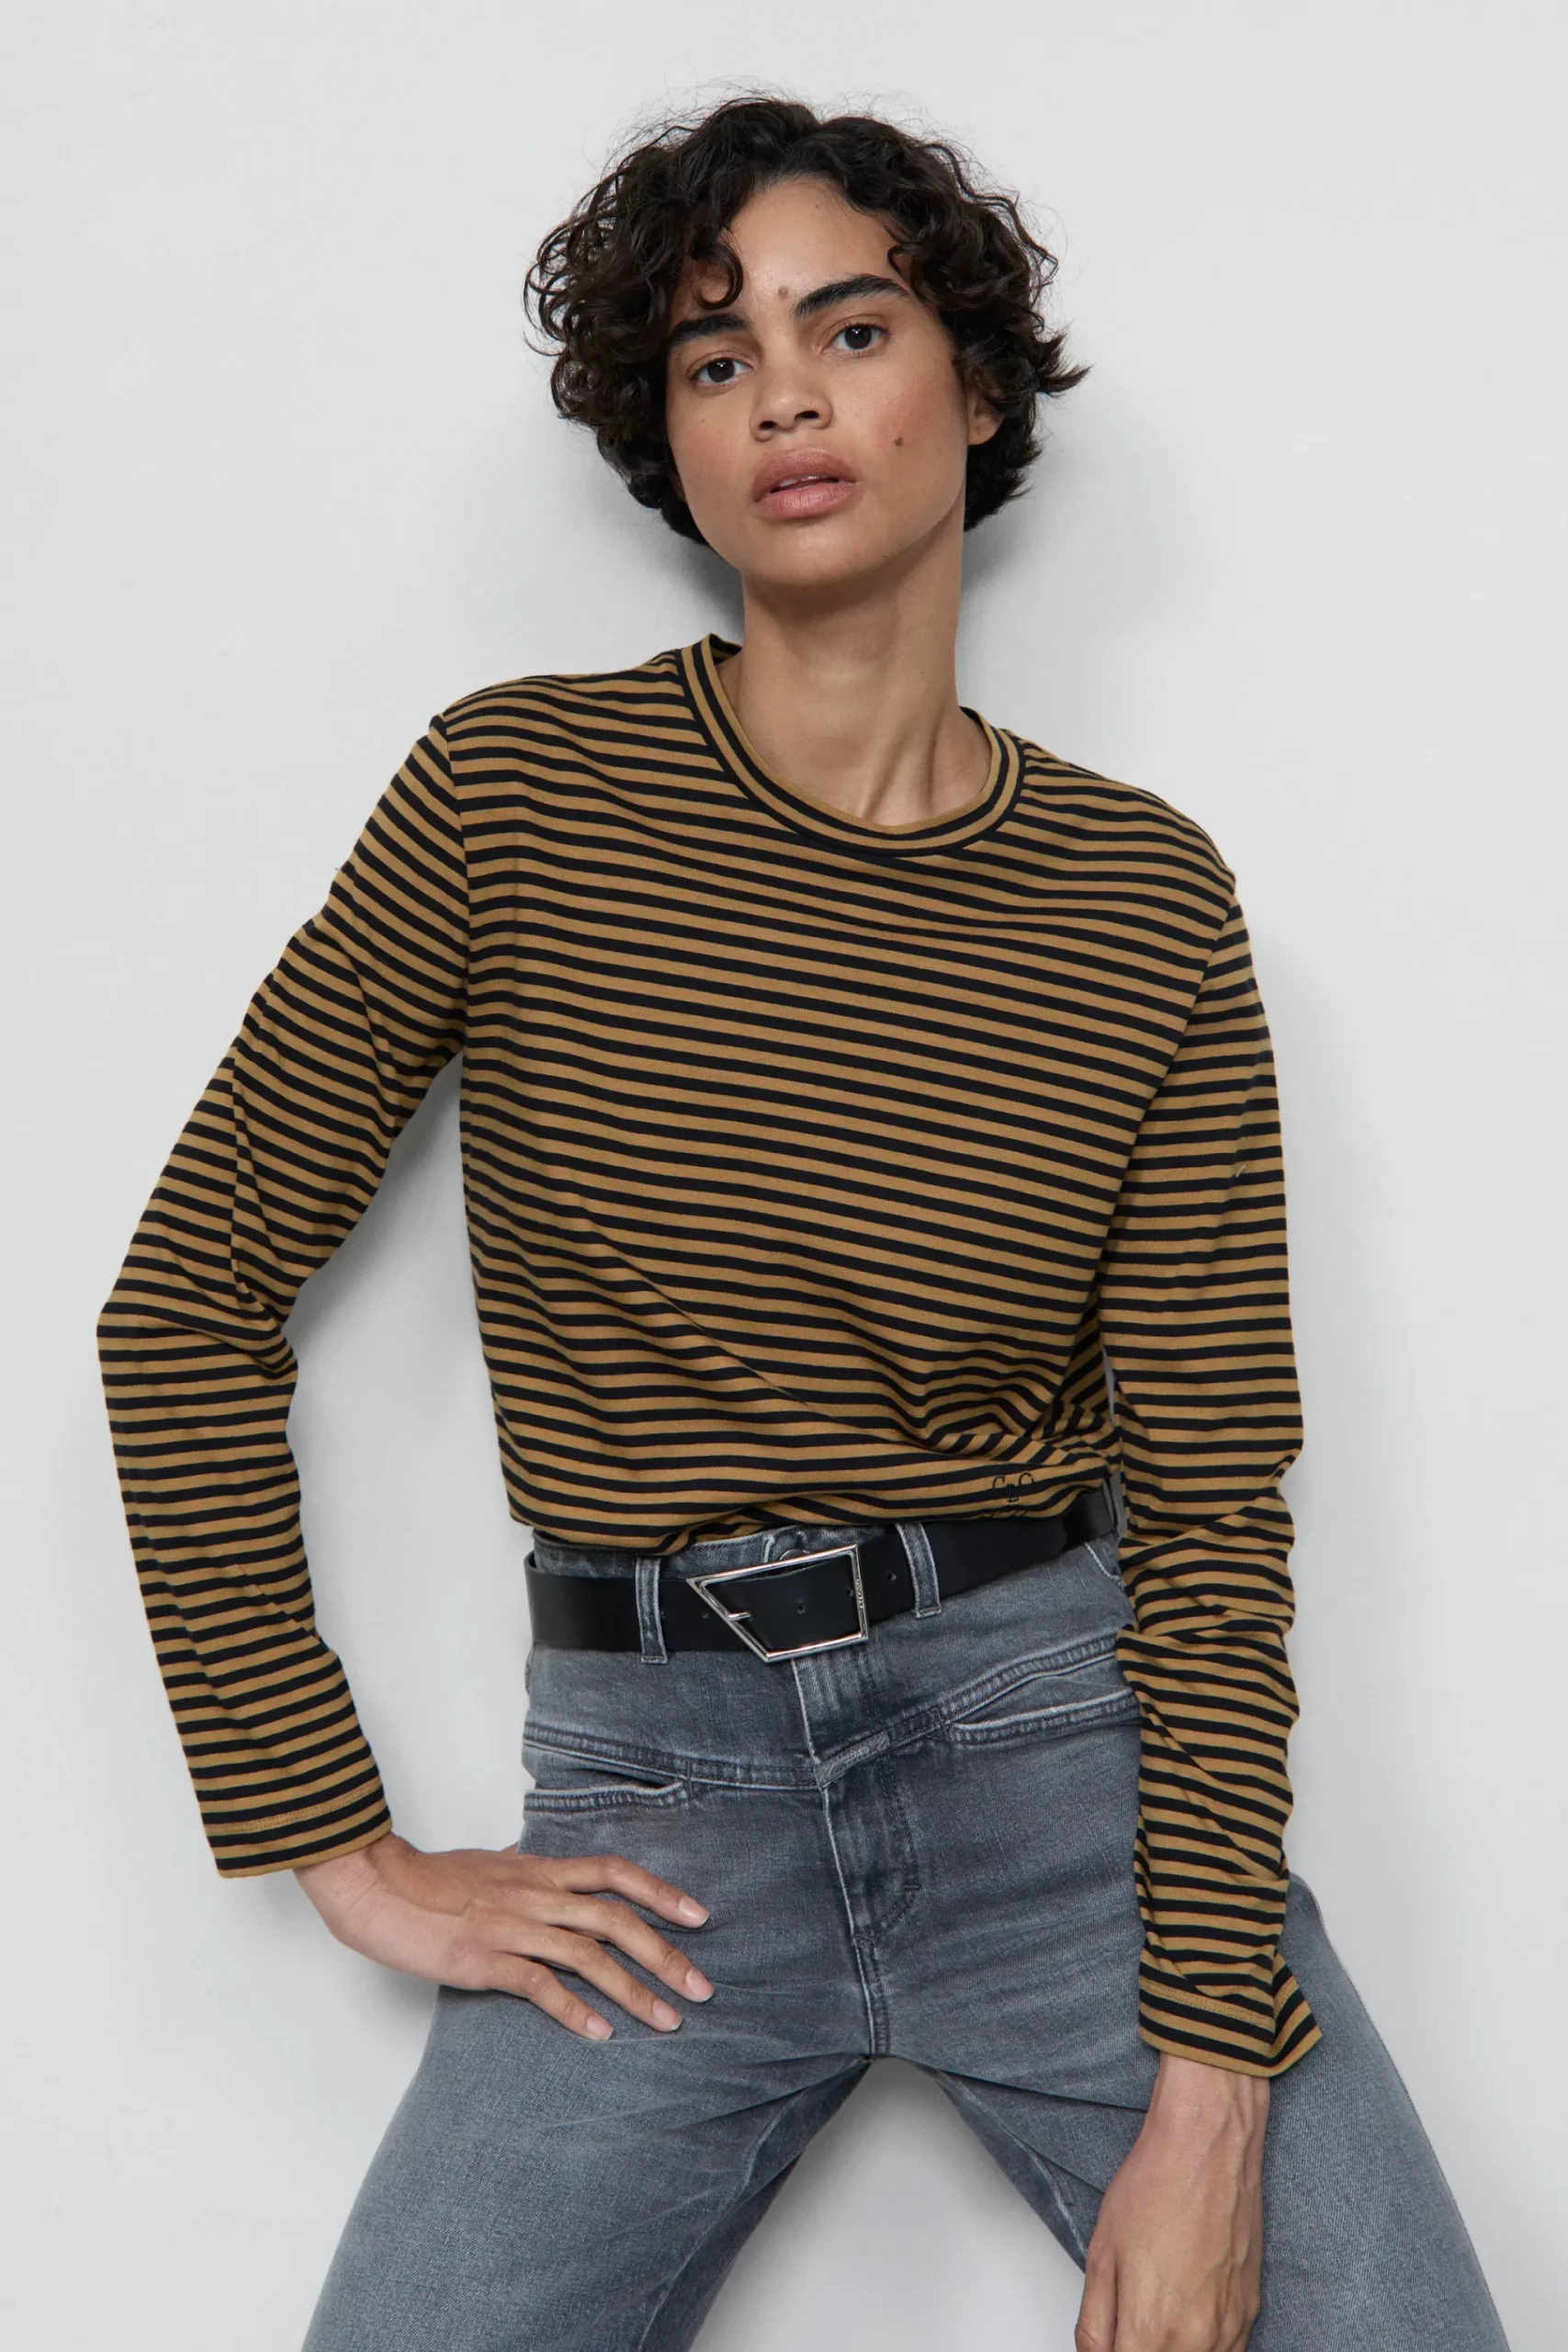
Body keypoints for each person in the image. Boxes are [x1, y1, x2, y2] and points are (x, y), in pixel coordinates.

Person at [97, 96, 1507, 2352]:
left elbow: (1210, 1503)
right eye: (711, 355)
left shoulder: (1139, 901)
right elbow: (184, 1298)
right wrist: (335, 1841)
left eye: (848, 328)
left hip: (1056, 1763)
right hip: (653, 1820)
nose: (781, 394)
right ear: (668, 441)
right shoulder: (513, 798)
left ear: (973, 385)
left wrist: (1213, 2087)